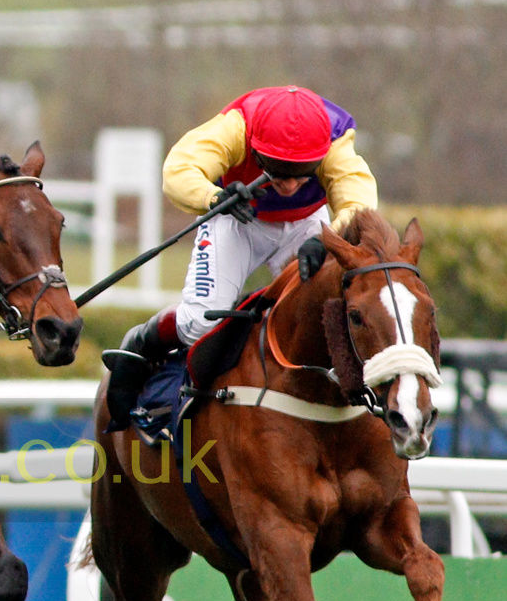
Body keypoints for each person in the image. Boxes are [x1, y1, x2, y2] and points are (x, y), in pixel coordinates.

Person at [103, 84, 378, 424]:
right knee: (199, 323)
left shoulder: (335, 137)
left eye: (301, 172)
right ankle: (144, 340)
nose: (289, 186)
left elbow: (358, 199)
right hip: (237, 218)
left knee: (319, 313)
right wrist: (212, 197)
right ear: (255, 147)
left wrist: (328, 239)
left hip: (308, 224)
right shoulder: (237, 126)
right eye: (276, 169)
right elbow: (180, 169)